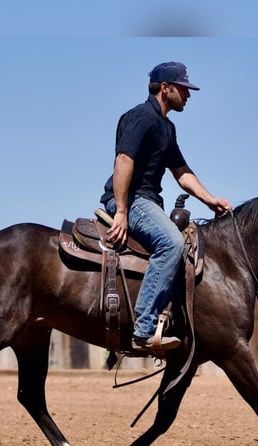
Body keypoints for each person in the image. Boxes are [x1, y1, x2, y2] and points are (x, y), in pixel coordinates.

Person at [100, 61, 232, 353]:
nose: (188, 95)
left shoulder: (166, 127)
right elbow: (124, 161)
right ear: (165, 88)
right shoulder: (140, 117)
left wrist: (209, 199)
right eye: (184, 89)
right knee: (171, 243)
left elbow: (181, 171)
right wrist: (121, 211)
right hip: (131, 200)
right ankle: (144, 330)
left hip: (145, 202)